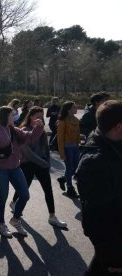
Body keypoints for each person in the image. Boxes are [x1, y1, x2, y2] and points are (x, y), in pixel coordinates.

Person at [0, 106, 44, 237]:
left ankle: (15, 219)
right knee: (2, 198)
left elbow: (30, 137)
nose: (15, 116)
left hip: (15, 168)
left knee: (25, 195)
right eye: (12, 114)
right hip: (0, 170)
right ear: (6, 117)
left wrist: (38, 127)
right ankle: (1, 224)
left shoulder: (14, 130)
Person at [76, 100, 122, 276]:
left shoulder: (113, 144)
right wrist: (114, 257)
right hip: (114, 245)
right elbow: (95, 218)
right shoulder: (95, 163)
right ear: (118, 127)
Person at [10, 107, 67, 228]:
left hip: (42, 164)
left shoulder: (42, 130)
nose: (39, 118)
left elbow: (46, 149)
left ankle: (52, 216)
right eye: (37, 116)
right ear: (30, 116)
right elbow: (27, 152)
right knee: (24, 188)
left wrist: (48, 162)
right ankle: (14, 203)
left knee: (48, 190)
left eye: (41, 116)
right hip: (28, 164)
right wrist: (43, 162)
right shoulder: (24, 130)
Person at [56, 101, 80, 198]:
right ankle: (70, 188)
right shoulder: (62, 121)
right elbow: (60, 138)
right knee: (69, 168)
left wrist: (78, 144)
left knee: (75, 168)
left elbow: (78, 134)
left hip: (75, 147)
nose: (76, 109)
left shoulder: (76, 120)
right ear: (69, 109)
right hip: (67, 148)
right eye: (74, 107)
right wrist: (62, 153)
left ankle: (63, 179)